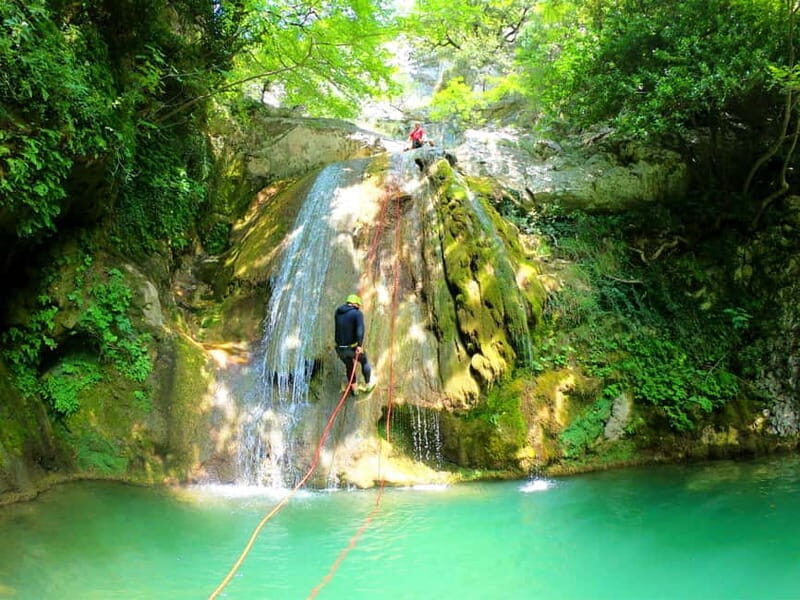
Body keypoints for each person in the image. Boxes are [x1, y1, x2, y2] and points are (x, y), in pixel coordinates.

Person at [334, 294, 375, 394]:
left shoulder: (338, 312)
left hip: (340, 349)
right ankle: (368, 385)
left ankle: (355, 389)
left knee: (349, 366)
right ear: (355, 304)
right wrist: (359, 346)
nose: (359, 307)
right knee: (364, 360)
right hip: (351, 348)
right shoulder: (357, 314)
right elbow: (360, 330)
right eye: (358, 305)